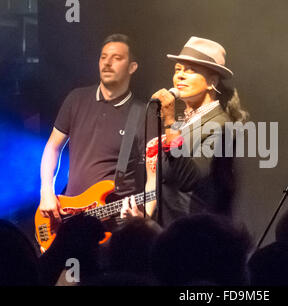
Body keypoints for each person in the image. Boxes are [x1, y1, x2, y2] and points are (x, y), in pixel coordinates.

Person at [122, 37, 248, 227]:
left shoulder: (221, 125)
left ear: (211, 82)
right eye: (178, 69)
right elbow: (166, 188)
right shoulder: (184, 125)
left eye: (191, 70)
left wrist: (170, 121)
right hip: (168, 235)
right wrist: (145, 220)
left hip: (195, 240)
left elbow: (190, 179)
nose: (180, 76)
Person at [39, 34, 154, 230]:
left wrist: (145, 216)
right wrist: (46, 191)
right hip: (68, 213)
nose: (107, 63)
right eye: (103, 57)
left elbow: (154, 177)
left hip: (114, 221)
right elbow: (53, 146)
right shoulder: (76, 99)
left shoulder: (144, 113)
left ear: (132, 67)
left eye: (117, 58)